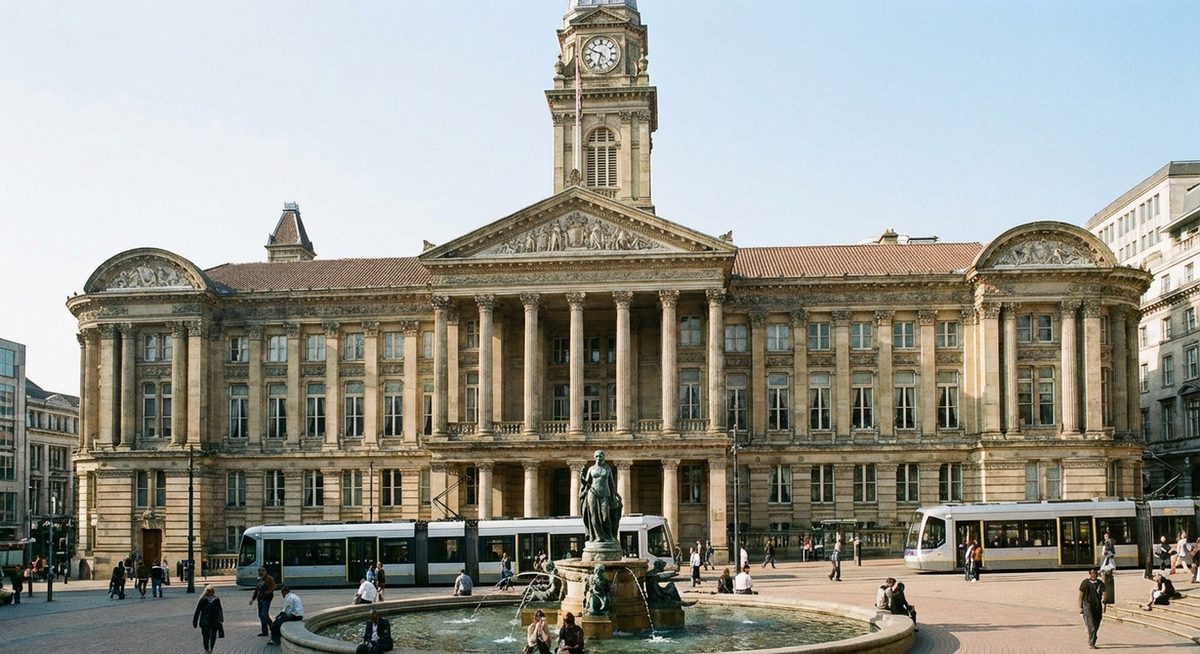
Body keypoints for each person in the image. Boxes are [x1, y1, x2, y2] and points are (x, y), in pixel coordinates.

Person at [579, 450, 622, 544]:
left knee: (605, 516)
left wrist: (614, 495)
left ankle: (609, 536)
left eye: (601, 456)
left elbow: (611, 483)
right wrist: (581, 477)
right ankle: (597, 536)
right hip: (593, 492)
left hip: (605, 493)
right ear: (595, 457)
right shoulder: (591, 469)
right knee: (593, 516)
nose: (599, 458)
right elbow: (587, 482)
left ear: (604, 457)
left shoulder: (607, 469)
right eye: (597, 456)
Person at [192, 584, 225, 654]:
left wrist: (195, 622)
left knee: (207, 637)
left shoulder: (205, 599)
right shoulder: (211, 599)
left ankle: (207, 650)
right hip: (212, 621)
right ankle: (209, 650)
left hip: (206, 621)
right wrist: (221, 619)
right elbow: (220, 610)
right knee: (211, 637)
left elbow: (197, 611)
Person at [1078, 567, 1106, 649]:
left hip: (1097, 606)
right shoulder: (1085, 583)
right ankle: (1092, 642)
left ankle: (1093, 636)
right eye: (1092, 573)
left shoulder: (1100, 583)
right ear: (1090, 574)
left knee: (1097, 623)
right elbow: (1080, 595)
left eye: (1095, 573)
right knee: (1091, 624)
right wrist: (1080, 607)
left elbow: (1104, 594)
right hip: (1087, 605)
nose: (1094, 575)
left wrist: (1105, 604)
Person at [250, 566, 276, 637]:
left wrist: (267, 593)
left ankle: (272, 628)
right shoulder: (259, 580)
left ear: (264, 572)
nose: (259, 574)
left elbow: (273, 588)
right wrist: (253, 599)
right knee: (261, 615)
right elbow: (256, 590)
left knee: (264, 614)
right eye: (259, 572)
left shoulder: (269, 579)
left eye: (261, 572)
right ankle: (264, 631)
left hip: (266, 599)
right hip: (260, 599)